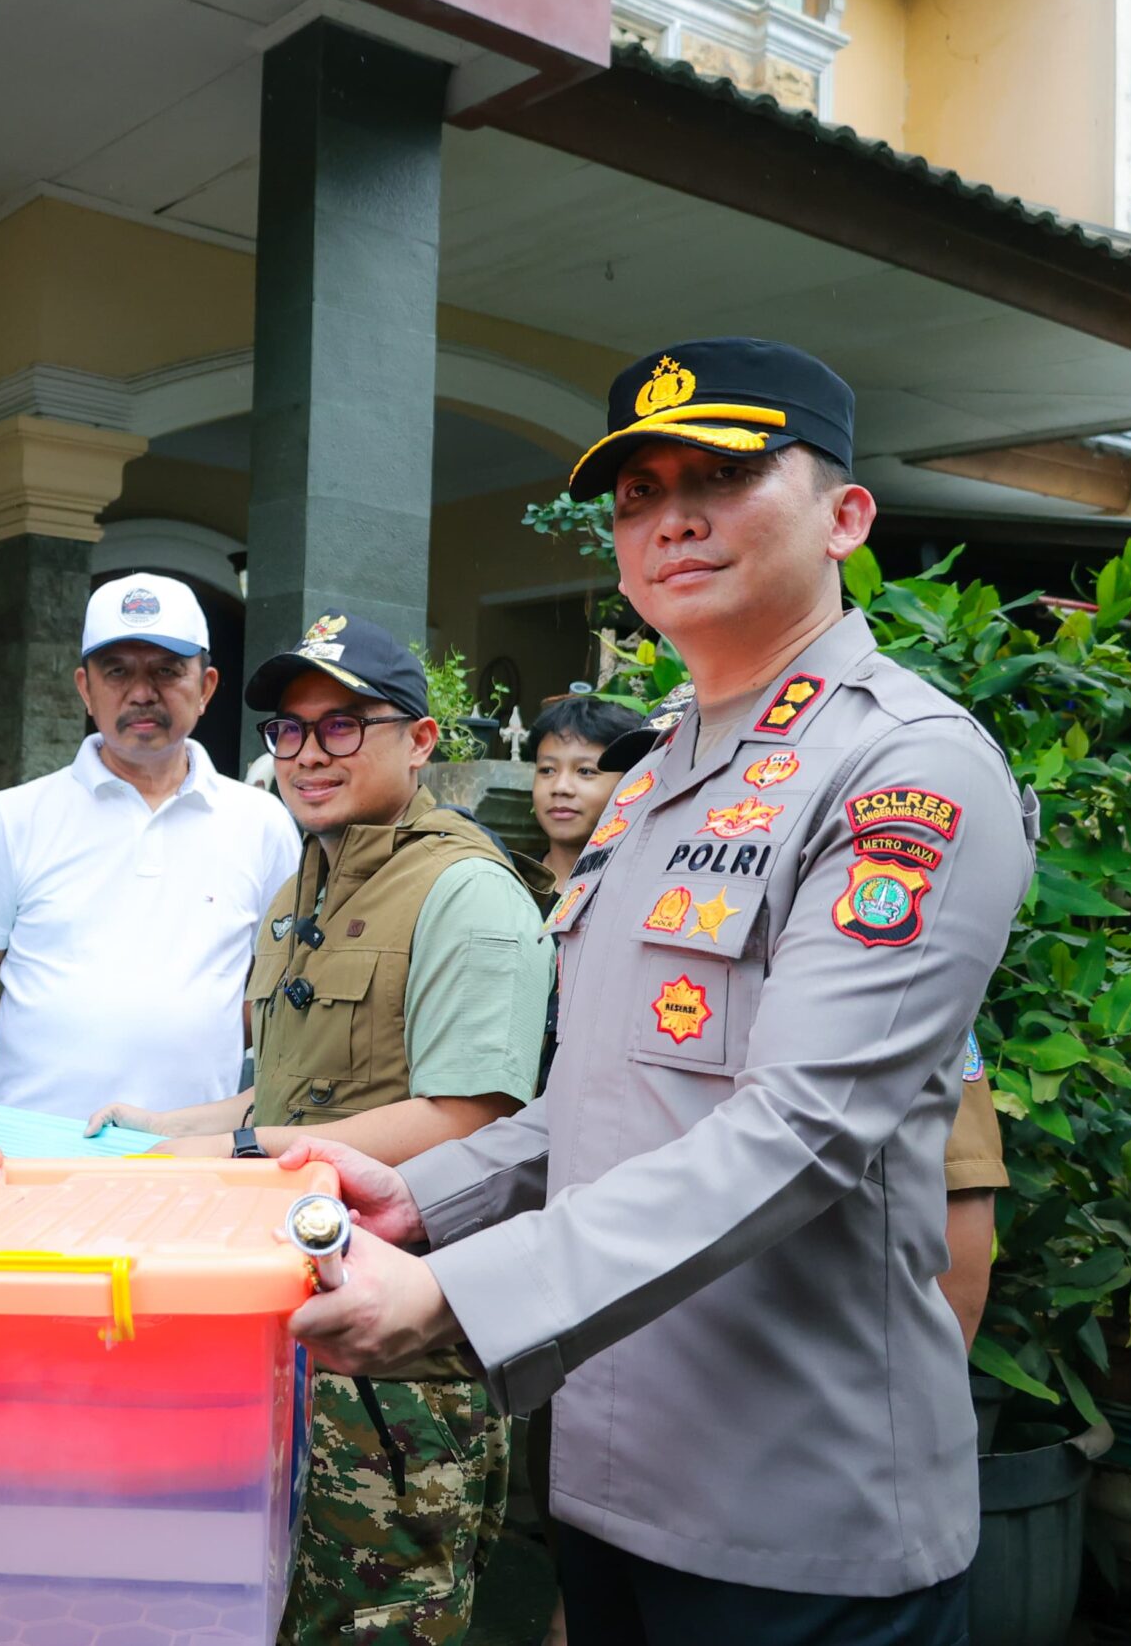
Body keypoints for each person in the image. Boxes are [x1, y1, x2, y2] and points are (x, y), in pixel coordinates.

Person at [281, 338, 1035, 1646]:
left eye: (723, 474)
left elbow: (801, 1128)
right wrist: (423, 1198)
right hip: (614, 1469)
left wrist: (462, 1297)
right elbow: (609, 1094)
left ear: (846, 515)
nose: (669, 517)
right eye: (636, 493)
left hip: (799, 1513)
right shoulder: (650, 777)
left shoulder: (905, 767)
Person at [94, 614, 547, 1643]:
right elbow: (302, 1090)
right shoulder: (313, 876)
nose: (307, 753)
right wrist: (165, 1124)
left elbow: (467, 1116)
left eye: (343, 726)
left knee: (380, 1618)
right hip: (288, 1323)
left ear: (421, 740)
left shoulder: (463, 891)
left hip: (397, 1362)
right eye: (288, 731)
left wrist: (230, 1153)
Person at [0, 574, 296, 1118]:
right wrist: (39, 1065)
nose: (142, 692)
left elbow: (275, 985)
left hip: (198, 1155)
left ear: (207, 687)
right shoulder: (13, 818)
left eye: (167, 671)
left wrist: (198, 1051)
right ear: (84, 687)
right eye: (117, 671)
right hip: (38, 1152)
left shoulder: (262, 822)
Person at [525, 692, 641, 897]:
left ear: (631, 782)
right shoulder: (508, 887)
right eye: (547, 770)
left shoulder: (641, 894)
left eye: (585, 771)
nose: (560, 787)